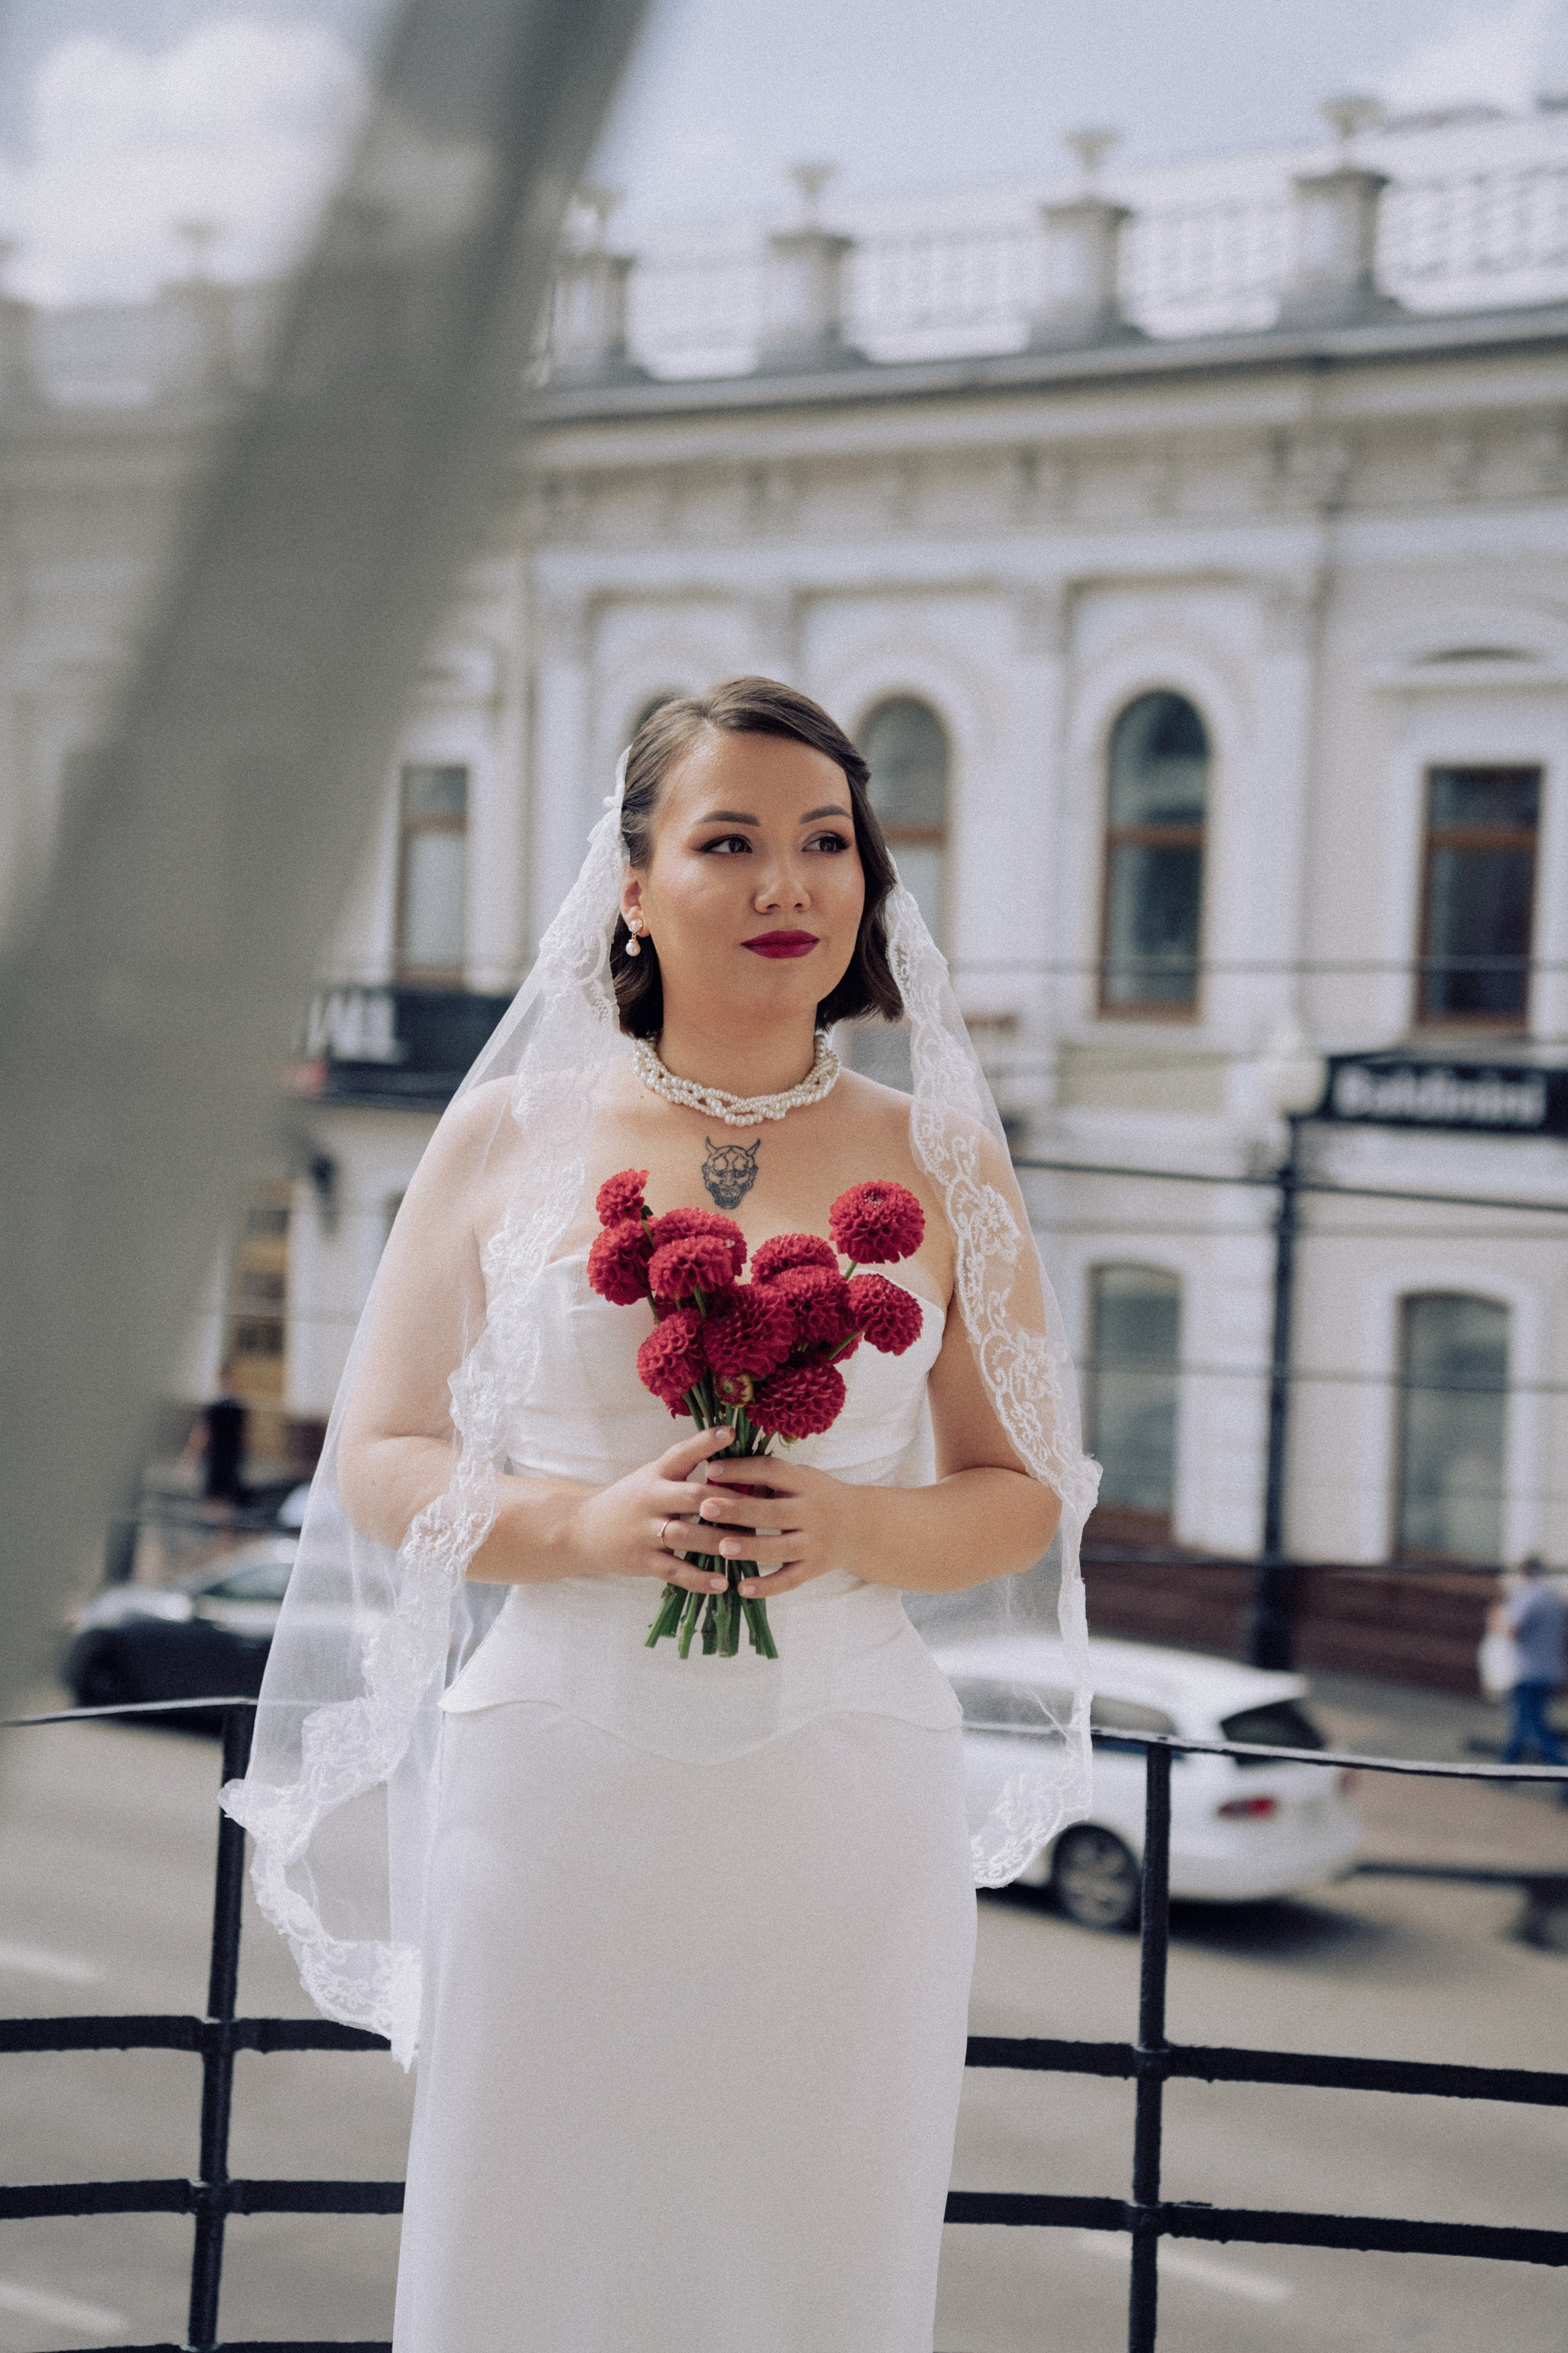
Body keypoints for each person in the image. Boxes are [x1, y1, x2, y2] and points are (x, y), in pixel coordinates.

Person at [224, 679, 1098, 2352]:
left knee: (810, 2247)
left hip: (841, 1794)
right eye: (733, 842)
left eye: (827, 843)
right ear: (632, 887)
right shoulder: (501, 1141)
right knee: (537, 2240)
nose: (790, 885)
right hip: (559, 1785)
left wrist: (843, 1528)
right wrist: (588, 1525)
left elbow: (1019, 1490)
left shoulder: (943, 1163)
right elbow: (386, 1455)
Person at [1493, 1556, 1568, 1780]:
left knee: (1535, 1729)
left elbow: (1513, 1631)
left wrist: (1495, 1619)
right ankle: (1505, 1772)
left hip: (1529, 1671)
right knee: (1521, 1724)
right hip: (1550, 1670)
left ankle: (1563, 1770)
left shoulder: (1530, 1597)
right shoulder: (1555, 1598)